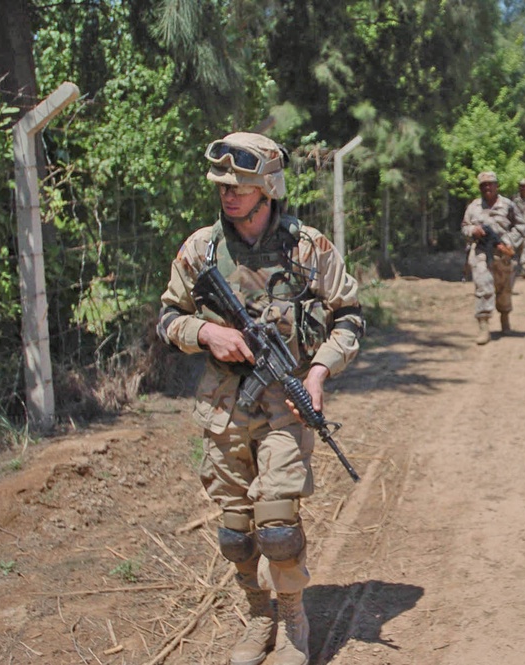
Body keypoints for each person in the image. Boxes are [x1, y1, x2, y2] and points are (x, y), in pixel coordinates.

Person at [157, 132, 364, 664]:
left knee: (276, 524)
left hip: (285, 410)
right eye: (223, 185)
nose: (229, 194)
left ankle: (293, 617)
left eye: (241, 185)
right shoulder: (201, 248)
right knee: (234, 529)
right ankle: (257, 614)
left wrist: (317, 373)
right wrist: (209, 335)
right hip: (223, 409)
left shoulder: (308, 247)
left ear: (268, 188)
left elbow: (350, 317)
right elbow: (167, 318)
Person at [461, 171, 525, 345]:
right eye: (483, 185)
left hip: (503, 255)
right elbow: (464, 227)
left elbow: (520, 226)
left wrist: (508, 242)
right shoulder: (473, 207)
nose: (487, 188)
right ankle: (484, 327)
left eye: (490, 184)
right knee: (483, 286)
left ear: (496, 186)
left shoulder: (508, 205)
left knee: (504, 289)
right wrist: (473, 231)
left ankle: (505, 319)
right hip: (481, 252)